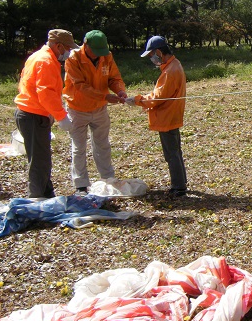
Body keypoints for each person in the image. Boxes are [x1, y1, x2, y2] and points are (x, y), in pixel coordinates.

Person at [14, 29, 78, 198]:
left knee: (41, 158)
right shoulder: (46, 61)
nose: (69, 52)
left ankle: (47, 194)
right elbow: (46, 93)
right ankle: (36, 200)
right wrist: (61, 116)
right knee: (39, 161)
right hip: (34, 115)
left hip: (30, 113)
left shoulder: (37, 57)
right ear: (59, 46)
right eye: (68, 48)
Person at [63, 30, 127, 195]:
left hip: (99, 108)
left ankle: (108, 178)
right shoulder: (73, 59)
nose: (99, 55)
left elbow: (114, 78)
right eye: (95, 51)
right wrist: (105, 96)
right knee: (79, 147)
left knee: (102, 144)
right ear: (85, 45)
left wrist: (120, 91)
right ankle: (81, 184)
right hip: (77, 109)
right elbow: (81, 86)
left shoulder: (107, 56)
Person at [126, 36, 187, 197]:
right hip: (170, 115)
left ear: (159, 52)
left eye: (152, 55)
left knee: (171, 154)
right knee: (175, 152)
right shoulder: (173, 65)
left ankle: (178, 187)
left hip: (167, 117)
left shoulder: (170, 71)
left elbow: (158, 97)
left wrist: (137, 100)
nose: (152, 59)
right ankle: (180, 184)